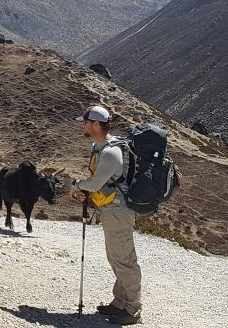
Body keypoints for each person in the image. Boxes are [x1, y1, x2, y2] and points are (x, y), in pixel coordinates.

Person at [69, 105, 142, 326]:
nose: (83, 125)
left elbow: (95, 183)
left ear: (97, 125)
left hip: (118, 212)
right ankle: (120, 302)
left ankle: (133, 309)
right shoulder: (101, 147)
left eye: (86, 122)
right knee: (116, 258)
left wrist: (77, 185)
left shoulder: (109, 152)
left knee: (125, 260)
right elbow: (103, 184)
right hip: (112, 209)